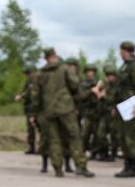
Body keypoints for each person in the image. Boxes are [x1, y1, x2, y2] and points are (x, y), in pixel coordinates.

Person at [33, 48, 95, 178]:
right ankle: (81, 165)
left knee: (54, 139)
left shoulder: (40, 74)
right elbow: (74, 84)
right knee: (74, 136)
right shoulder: (64, 68)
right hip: (65, 108)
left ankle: (58, 169)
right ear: (55, 55)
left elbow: (35, 96)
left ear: (45, 58)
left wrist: (35, 113)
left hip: (48, 111)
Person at [98, 41, 135, 178]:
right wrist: (114, 106)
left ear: (126, 51)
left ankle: (132, 168)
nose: (120, 54)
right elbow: (119, 89)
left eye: (121, 51)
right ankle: (128, 166)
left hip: (131, 108)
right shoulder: (125, 67)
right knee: (124, 138)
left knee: (131, 138)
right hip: (123, 108)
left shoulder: (134, 66)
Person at [18, 68, 41, 155]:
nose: (28, 75)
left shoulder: (36, 81)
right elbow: (25, 91)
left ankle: (41, 147)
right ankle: (32, 147)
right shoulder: (28, 81)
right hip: (29, 107)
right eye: (27, 73)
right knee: (30, 128)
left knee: (39, 127)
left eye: (29, 73)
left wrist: (21, 96)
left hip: (35, 107)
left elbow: (29, 93)